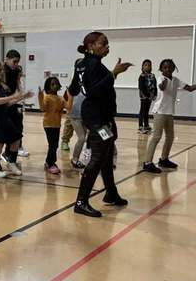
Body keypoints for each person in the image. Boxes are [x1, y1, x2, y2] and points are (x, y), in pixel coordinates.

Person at [71, 32, 131, 217]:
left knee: (107, 152)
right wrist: (113, 73)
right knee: (98, 157)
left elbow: (73, 89)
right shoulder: (94, 64)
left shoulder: (82, 64)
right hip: (96, 118)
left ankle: (111, 193)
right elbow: (94, 91)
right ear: (91, 45)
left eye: (107, 44)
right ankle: (81, 202)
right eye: (103, 44)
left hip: (101, 116)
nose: (107, 47)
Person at [142, 59, 196, 174]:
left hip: (169, 113)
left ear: (174, 68)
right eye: (165, 67)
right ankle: (147, 163)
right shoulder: (161, 78)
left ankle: (164, 159)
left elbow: (190, 88)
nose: (168, 69)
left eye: (170, 67)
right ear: (161, 69)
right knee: (156, 137)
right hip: (159, 112)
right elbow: (162, 87)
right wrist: (164, 83)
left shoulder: (176, 80)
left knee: (170, 137)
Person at [0, 60, 32, 179]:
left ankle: (11, 162)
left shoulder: (0, 86)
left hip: (4, 118)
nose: (2, 72)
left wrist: (22, 97)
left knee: (16, 137)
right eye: (0, 70)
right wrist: (13, 96)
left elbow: (7, 103)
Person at [39, 76, 66, 175]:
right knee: (53, 145)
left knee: (55, 145)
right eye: (52, 84)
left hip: (57, 125)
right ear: (48, 87)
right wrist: (40, 96)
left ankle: (48, 162)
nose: (55, 86)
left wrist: (68, 95)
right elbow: (42, 108)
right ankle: (51, 164)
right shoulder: (47, 97)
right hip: (48, 125)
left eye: (56, 84)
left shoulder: (61, 98)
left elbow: (68, 107)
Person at [4, 50, 27, 162]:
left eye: (18, 62)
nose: (16, 64)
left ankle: (12, 152)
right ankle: (6, 152)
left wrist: (22, 94)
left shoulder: (17, 70)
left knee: (18, 127)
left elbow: (18, 83)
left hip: (14, 101)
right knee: (9, 129)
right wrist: (3, 84)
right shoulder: (2, 70)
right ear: (7, 59)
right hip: (5, 102)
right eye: (14, 61)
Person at [65, 82, 88, 169]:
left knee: (84, 138)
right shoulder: (73, 87)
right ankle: (74, 159)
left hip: (85, 116)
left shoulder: (89, 86)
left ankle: (77, 158)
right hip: (75, 116)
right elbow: (66, 98)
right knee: (81, 138)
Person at [138, 59, 157, 135]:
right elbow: (141, 87)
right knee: (142, 111)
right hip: (144, 96)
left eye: (149, 65)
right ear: (142, 67)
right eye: (145, 65)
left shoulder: (152, 75)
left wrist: (154, 94)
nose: (147, 66)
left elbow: (155, 85)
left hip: (150, 96)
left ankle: (146, 125)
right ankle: (140, 126)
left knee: (146, 111)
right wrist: (146, 95)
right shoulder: (142, 76)